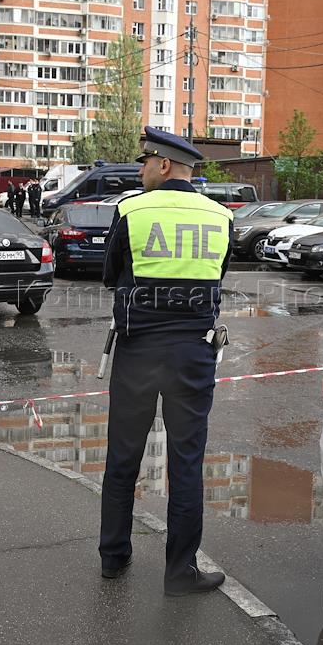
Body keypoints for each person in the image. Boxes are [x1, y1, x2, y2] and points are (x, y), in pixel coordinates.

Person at [99, 126, 234, 596]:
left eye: (145, 163)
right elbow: (217, 276)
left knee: (123, 457)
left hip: (138, 351)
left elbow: (110, 275)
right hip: (193, 354)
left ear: (162, 164)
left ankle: (113, 557)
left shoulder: (130, 210)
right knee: (186, 461)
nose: (140, 171)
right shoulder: (221, 216)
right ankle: (180, 572)